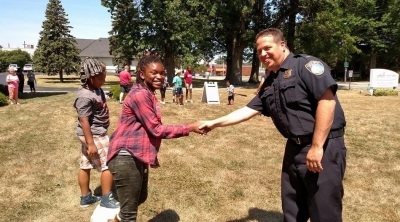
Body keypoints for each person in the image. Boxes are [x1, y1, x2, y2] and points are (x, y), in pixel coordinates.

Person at [199, 28, 346, 222]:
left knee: (324, 212)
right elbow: (248, 110)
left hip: (323, 148)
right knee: (293, 210)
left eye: (267, 48)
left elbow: (327, 102)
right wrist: (213, 123)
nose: (262, 54)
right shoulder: (271, 81)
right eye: (259, 51)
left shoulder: (306, 65)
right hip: (294, 149)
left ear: (282, 45)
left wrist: (317, 147)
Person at [106, 55, 204, 222]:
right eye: (154, 72)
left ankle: (116, 220)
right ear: (142, 74)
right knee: (130, 214)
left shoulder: (147, 92)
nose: (160, 76)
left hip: (137, 155)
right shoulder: (140, 95)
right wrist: (190, 128)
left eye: (162, 73)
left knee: (140, 198)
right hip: (126, 156)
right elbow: (156, 129)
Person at [73, 57, 119, 209]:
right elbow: (84, 120)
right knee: (109, 164)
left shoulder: (96, 89)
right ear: (89, 77)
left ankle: (86, 198)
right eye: (100, 78)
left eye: (104, 77)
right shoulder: (84, 96)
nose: (103, 81)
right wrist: (90, 143)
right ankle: (107, 198)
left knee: (86, 164)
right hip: (94, 135)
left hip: (95, 133)